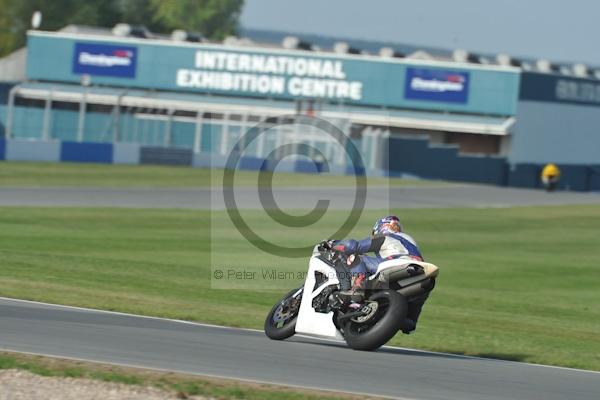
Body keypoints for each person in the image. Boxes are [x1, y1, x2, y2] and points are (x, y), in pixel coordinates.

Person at [331, 215, 429, 333]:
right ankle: (409, 320)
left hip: (394, 266)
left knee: (355, 256)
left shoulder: (385, 237)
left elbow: (353, 246)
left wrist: (333, 244)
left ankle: (358, 287)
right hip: (422, 274)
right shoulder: (410, 241)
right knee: (411, 320)